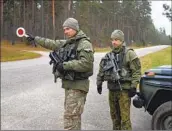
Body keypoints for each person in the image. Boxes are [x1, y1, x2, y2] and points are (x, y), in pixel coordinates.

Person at [26, 18, 94, 130]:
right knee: (73, 118)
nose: (65, 31)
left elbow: (86, 64)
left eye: (67, 29)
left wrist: (65, 66)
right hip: (71, 86)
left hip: (78, 86)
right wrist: (35, 39)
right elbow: (52, 44)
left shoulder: (84, 43)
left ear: (75, 29)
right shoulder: (68, 42)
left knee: (70, 119)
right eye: (64, 29)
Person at [96, 29, 141, 130]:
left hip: (124, 91)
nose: (114, 42)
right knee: (115, 118)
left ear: (121, 41)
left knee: (125, 119)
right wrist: (99, 83)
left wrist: (133, 86)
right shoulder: (108, 56)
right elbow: (101, 70)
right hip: (112, 91)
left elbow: (136, 71)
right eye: (112, 39)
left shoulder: (129, 54)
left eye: (116, 40)